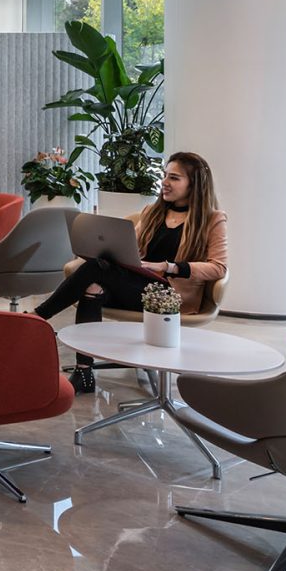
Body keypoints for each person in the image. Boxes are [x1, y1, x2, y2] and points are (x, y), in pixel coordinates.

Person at [32, 151, 229, 394]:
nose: (165, 182)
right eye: (165, 175)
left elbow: (218, 267)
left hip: (169, 296)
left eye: (175, 178)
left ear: (195, 183)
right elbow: (128, 250)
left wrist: (168, 267)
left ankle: (37, 320)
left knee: (94, 274)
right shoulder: (152, 212)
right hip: (137, 284)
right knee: (93, 284)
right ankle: (83, 372)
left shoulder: (212, 219)